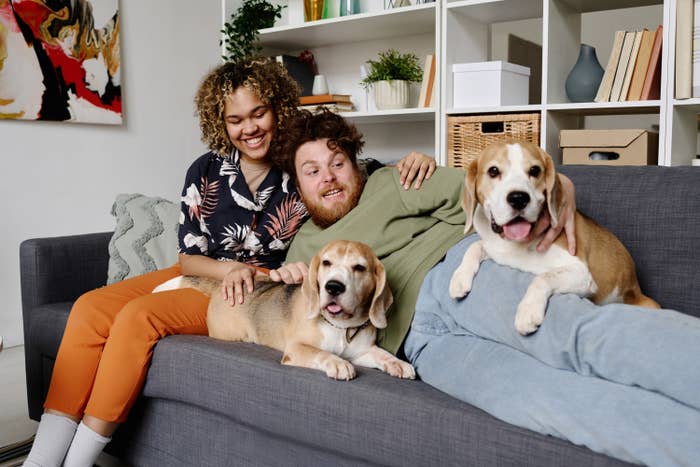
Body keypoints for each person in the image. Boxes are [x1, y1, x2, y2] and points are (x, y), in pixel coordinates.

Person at [24, 58, 435, 467]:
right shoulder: (205, 169)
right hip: (204, 270)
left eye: (259, 112)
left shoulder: (303, 167)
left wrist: (414, 162)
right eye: (235, 119)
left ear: (277, 107)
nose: (250, 128)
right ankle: (41, 460)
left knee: (137, 318)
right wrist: (227, 268)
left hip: (247, 291)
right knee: (90, 307)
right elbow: (188, 256)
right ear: (220, 122)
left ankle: (77, 461)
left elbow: (355, 173)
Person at [270, 109, 700, 467]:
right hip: (418, 346)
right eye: (312, 171)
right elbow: (292, 306)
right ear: (297, 182)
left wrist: (564, 185)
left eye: (337, 163)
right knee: (539, 400)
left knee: (574, 338)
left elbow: (498, 182)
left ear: (355, 164)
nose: (328, 177)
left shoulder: (394, 183)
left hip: (456, 278)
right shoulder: (303, 248)